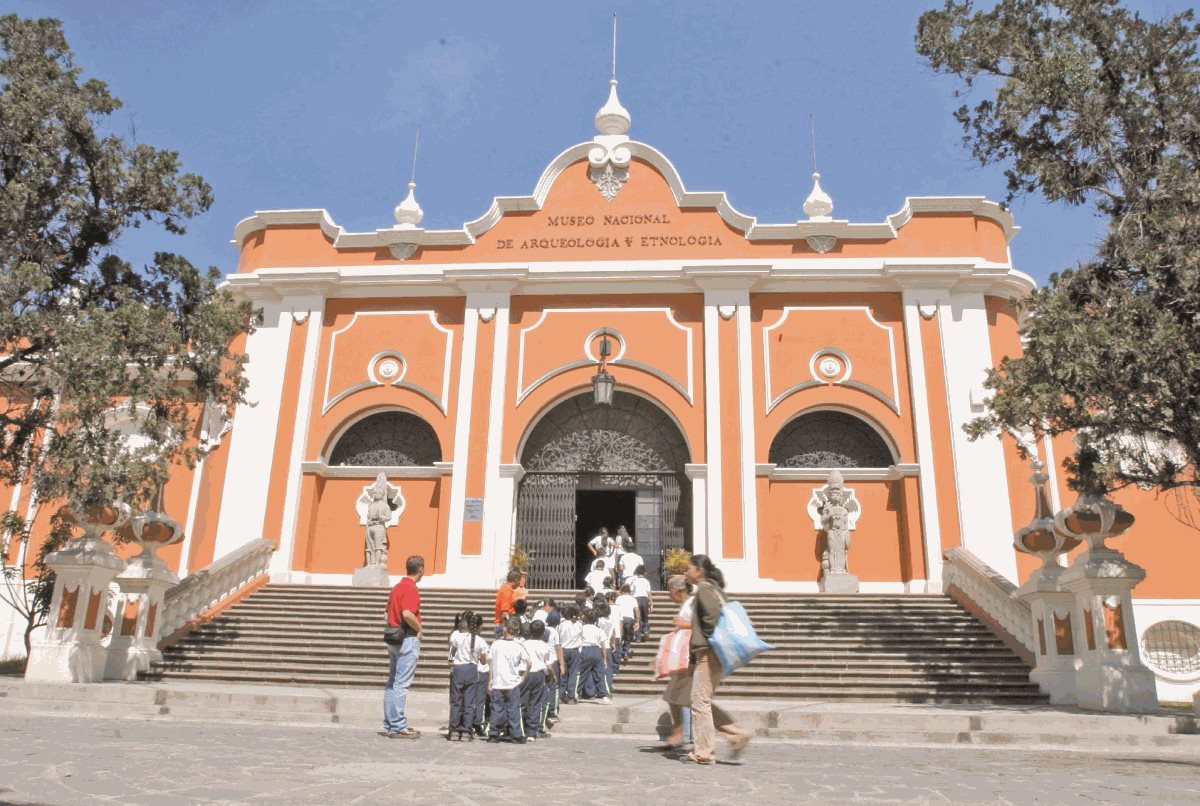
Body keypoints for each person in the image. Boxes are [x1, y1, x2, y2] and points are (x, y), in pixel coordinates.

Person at [686, 554, 751, 764]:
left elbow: (713, 617)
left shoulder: (704, 589)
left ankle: (704, 752)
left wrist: (708, 642)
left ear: (699, 571)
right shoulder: (716, 589)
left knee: (699, 701)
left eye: (689, 568)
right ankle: (736, 734)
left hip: (709, 652)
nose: (686, 572)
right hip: (716, 653)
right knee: (702, 700)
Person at [383, 554, 424, 739]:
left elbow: (386, 614)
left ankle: (390, 723)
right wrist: (419, 629)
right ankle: (398, 724)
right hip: (407, 638)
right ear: (420, 569)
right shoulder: (411, 588)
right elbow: (408, 613)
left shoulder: (396, 587)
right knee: (401, 684)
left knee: (392, 682)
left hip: (393, 637)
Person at [661, 574, 694, 749]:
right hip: (684, 658)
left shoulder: (692, 604)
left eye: (669, 591)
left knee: (676, 696)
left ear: (677, 590)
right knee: (678, 697)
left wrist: (684, 624)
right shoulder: (686, 606)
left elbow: (705, 625)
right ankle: (684, 734)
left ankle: (682, 734)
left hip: (690, 659)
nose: (668, 595)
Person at [488, 616, 530, 743]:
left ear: (505, 629)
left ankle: (494, 733)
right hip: (512, 682)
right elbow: (529, 662)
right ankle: (515, 734)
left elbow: (491, 662)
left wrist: (490, 679)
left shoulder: (496, 644)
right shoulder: (518, 646)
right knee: (513, 709)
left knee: (497, 708)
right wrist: (524, 676)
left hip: (498, 681)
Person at [448, 610, 485, 741]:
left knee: (456, 701)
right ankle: (466, 730)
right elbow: (483, 660)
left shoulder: (455, 636)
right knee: (469, 703)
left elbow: (452, 651)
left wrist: (451, 660)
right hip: (471, 669)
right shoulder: (480, 641)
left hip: (458, 669)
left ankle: (454, 729)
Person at [520, 620, 557, 740]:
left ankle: (521, 729)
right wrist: (552, 675)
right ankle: (532, 731)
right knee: (535, 703)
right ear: (543, 633)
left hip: (525, 674)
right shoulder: (545, 646)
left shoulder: (523, 644)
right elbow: (549, 665)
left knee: (523, 702)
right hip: (539, 675)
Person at [578, 608, 610, 703]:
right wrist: (604, 658)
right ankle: (603, 695)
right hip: (597, 650)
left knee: (582, 673)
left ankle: (576, 692)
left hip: (586, 650)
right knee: (599, 674)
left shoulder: (582, 628)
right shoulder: (599, 629)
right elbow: (603, 646)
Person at [557, 603, 583, 705]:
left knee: (563, 672)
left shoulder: (561, 625)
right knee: (573, 674)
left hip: (563, 650)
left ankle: (561, 694)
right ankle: (571, 695)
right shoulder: (579, 624)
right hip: (575, 651)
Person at [614, 584, 640, 661]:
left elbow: (616, 608)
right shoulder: (633, 599)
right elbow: (637, 610)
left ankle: (619, 651)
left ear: (622, 591)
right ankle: (625, 652)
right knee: (628, 637)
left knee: (620, 636)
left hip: (620, 619)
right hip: (629, 618)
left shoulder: (619, 598)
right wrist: (637, 621)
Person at [629, 563, 654, 641]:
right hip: (644, 599)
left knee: (637, 618)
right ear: (645, 573)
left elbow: (631, 591)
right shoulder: (646, 581)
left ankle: (638, 636)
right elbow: (649, 593)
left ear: (636, 572)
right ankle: (646, 630)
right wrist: (651, 603)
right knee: (645, 616)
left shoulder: (634, 581)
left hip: (636, 599)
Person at [494, 569, 522, 637]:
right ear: (516, 580)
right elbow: (504, 613)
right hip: (504, 627)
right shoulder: (506, 590)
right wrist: (508, 628)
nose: (520, 583)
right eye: (519, 580)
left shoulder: (507, 589)